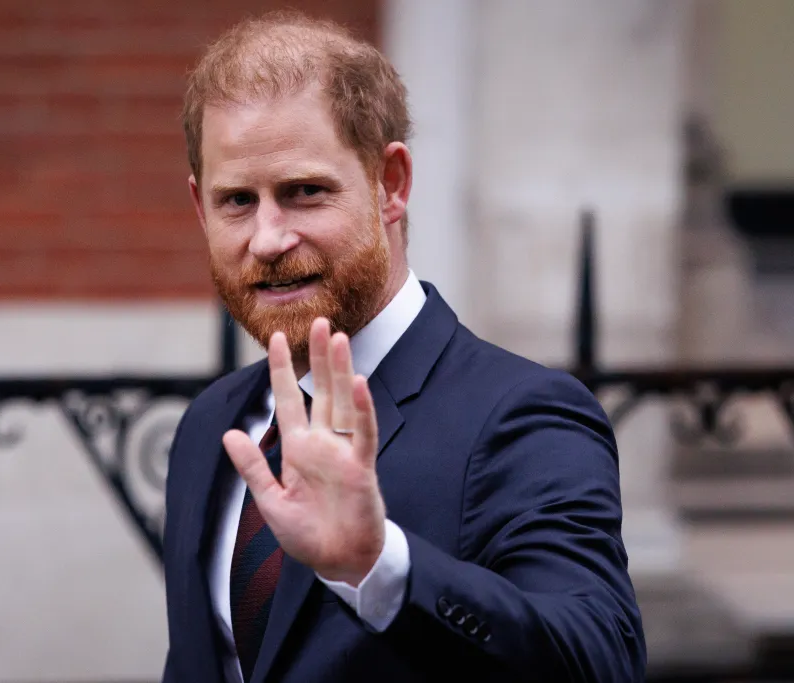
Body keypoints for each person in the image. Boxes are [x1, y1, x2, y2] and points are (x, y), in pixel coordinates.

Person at [160, 11, 645, 683]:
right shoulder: (210, 427)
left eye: (305, 192)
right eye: (237, 201)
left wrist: (377, 566)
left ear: (390, 184)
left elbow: (598, 659)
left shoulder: (521, 416)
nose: (268, 239)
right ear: (199, 207)